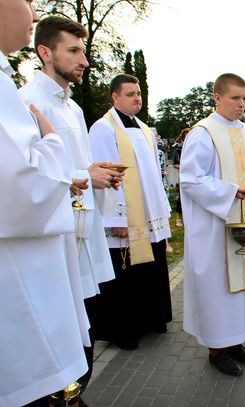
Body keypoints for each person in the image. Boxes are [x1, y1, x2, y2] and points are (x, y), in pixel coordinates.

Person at [19, 15, 123, 394]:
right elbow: (28, 175)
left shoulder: (74, 108)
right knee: (61, 327)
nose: (84, 60)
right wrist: (84, 176)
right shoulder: (27, 102)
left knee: (86, 324)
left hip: (84, 233)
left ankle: (75, 393)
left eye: (85, 51)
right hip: (56, 235)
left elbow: (74, 164)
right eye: (74, 51)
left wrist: (97, 173)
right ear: (46, 52)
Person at [0, 1, 90, 405]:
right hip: (25, 259)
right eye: (27, 2)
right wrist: (53, 144)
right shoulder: (23, 93)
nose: (33, 14)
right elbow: (25, 184)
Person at [180, 73, 245, 377]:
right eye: (235, 98)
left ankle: (235, 341)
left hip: (244, 221)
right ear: (217, 98)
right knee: (218, 288)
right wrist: (229, 191)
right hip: (214, 226)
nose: (242, 104)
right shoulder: (203, 133)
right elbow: (191, 179)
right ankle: (216, 349)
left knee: (241, 286)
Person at [88, 74, 173, 350]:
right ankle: (126, 330)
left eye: (139, 93)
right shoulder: (103, 128)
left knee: (150, 268)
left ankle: (151, 320)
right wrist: (117, 218)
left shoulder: (145, 129)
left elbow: (152, 176)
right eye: (130, 94)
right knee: (125, 275)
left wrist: (163, 208)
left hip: (149, 214)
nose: (137, 97)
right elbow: (107, 175)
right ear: (115, 97)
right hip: (126, 218)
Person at [173, 127, 189, 227]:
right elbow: (175, 164)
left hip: (194, 176)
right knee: (181, 198)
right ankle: (179, 218)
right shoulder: (179, 149)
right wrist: (184, 167)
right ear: (183, 137)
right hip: (183, 176)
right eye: (186, 135)